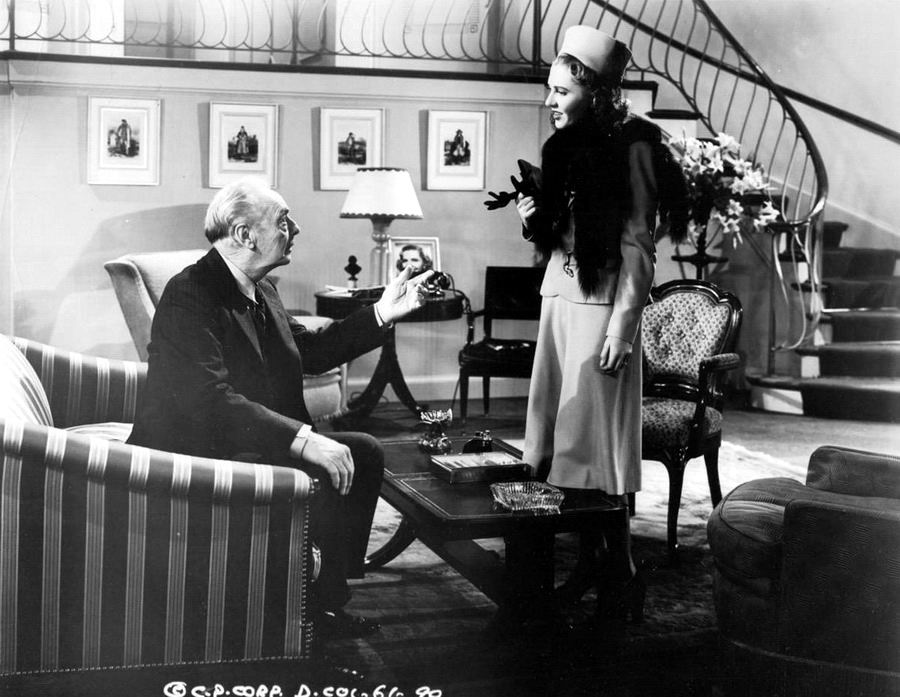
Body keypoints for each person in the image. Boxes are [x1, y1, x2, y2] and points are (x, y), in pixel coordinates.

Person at [128, 177, 434, 647]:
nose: (296, 229)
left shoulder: (261, 288)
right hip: (198, 449)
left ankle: (325, 599)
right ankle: (289, 608)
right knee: (327, 459)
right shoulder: (190, 293)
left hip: (244, 437)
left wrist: (381, 314)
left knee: (364, 451)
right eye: (284, 220)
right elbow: (207, 398)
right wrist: (304, 439)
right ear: (245, 234)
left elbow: (310, 350)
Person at [515, 25, 660, 626]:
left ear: (595, 95)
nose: (550, 100)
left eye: (562, 91)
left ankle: (619, 572)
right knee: (554, 446)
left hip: (601, 315)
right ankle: (584, 564)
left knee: (596, 449)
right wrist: (534, 220)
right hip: (559, 303)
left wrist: (622, 330)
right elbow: (562, 236)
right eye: (549, 89)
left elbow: (639, 248)